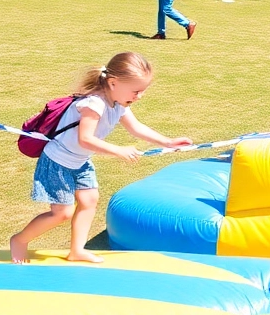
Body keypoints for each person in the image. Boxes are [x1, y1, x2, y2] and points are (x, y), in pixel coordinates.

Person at [10, 52, 190, 263]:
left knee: (89, 200)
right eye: (136, 91)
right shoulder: (94, 104)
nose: (139, 96)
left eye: (143, 91)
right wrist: (118, 150)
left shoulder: (119, 104)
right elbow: (85, 138)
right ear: (113, 83)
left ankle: (76, 250)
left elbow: (136, 128)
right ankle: (20, 240)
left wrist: (167, 142)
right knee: (62, 213)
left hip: (80, 161)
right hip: (57, 162)